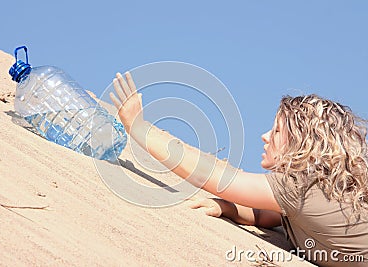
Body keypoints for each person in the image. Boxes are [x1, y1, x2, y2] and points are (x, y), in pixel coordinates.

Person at [110, 72, 368, 266]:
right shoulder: (318, 191)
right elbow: (266, 215)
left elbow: (211, 174)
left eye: (277, 130)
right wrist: (229, 207)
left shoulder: (302, 189)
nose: (265, 136)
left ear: (303, 142)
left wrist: (139, 128)